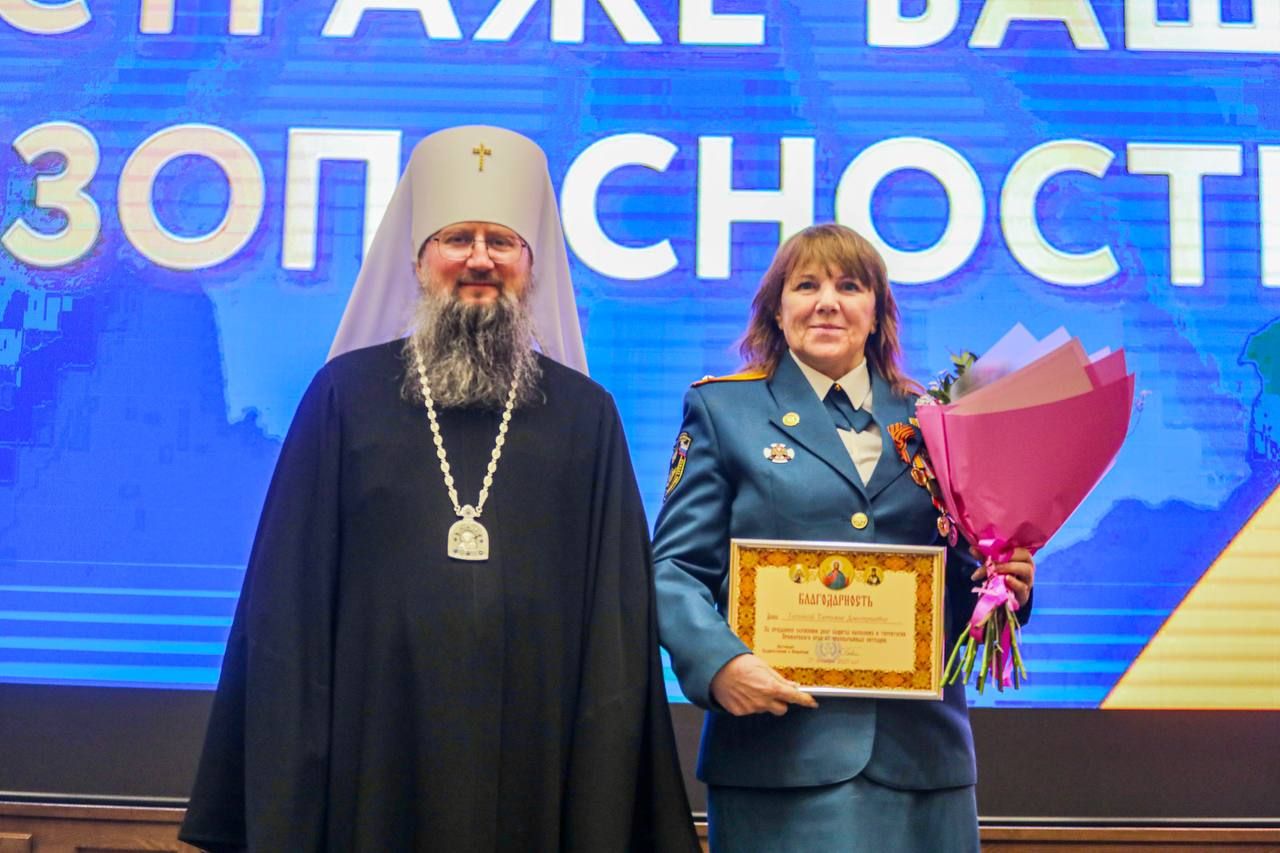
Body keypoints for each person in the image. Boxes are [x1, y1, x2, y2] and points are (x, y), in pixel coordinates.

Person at [180, 125, 699, 852]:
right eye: (458, 238)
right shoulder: (343, 396)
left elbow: (616, 626)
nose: (480, 259)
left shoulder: (587, 415)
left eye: (502, 241)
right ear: (420, 262)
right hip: (372, 753)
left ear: (531, 264)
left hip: (538, 760)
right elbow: (288, 605)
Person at [652, 223, 1035, 852]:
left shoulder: (937, 419)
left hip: (921, 763)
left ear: (877, 313)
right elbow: (674, 570)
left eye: (849, 287)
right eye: (806, 286)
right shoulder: (723, 413)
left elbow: (964, 574)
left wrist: (1006, 583)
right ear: (777, 310)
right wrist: (721, 665)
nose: (827, 302)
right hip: (778, 757)